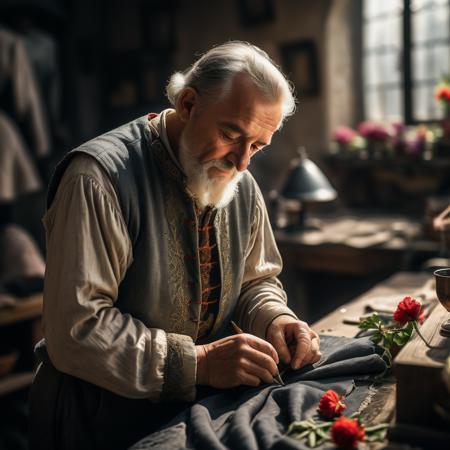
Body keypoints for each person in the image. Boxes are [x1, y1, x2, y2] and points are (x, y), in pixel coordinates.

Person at [29, 41, 321, 450]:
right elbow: (79, 328)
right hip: (97, 421)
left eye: (257, 146)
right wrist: (199, 363)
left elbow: (257, 281)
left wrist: (275, 319)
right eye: (230, 134)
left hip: (192, 414)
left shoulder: (242, 183)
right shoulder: (98, 178)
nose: (241, 163)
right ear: (187, 104)